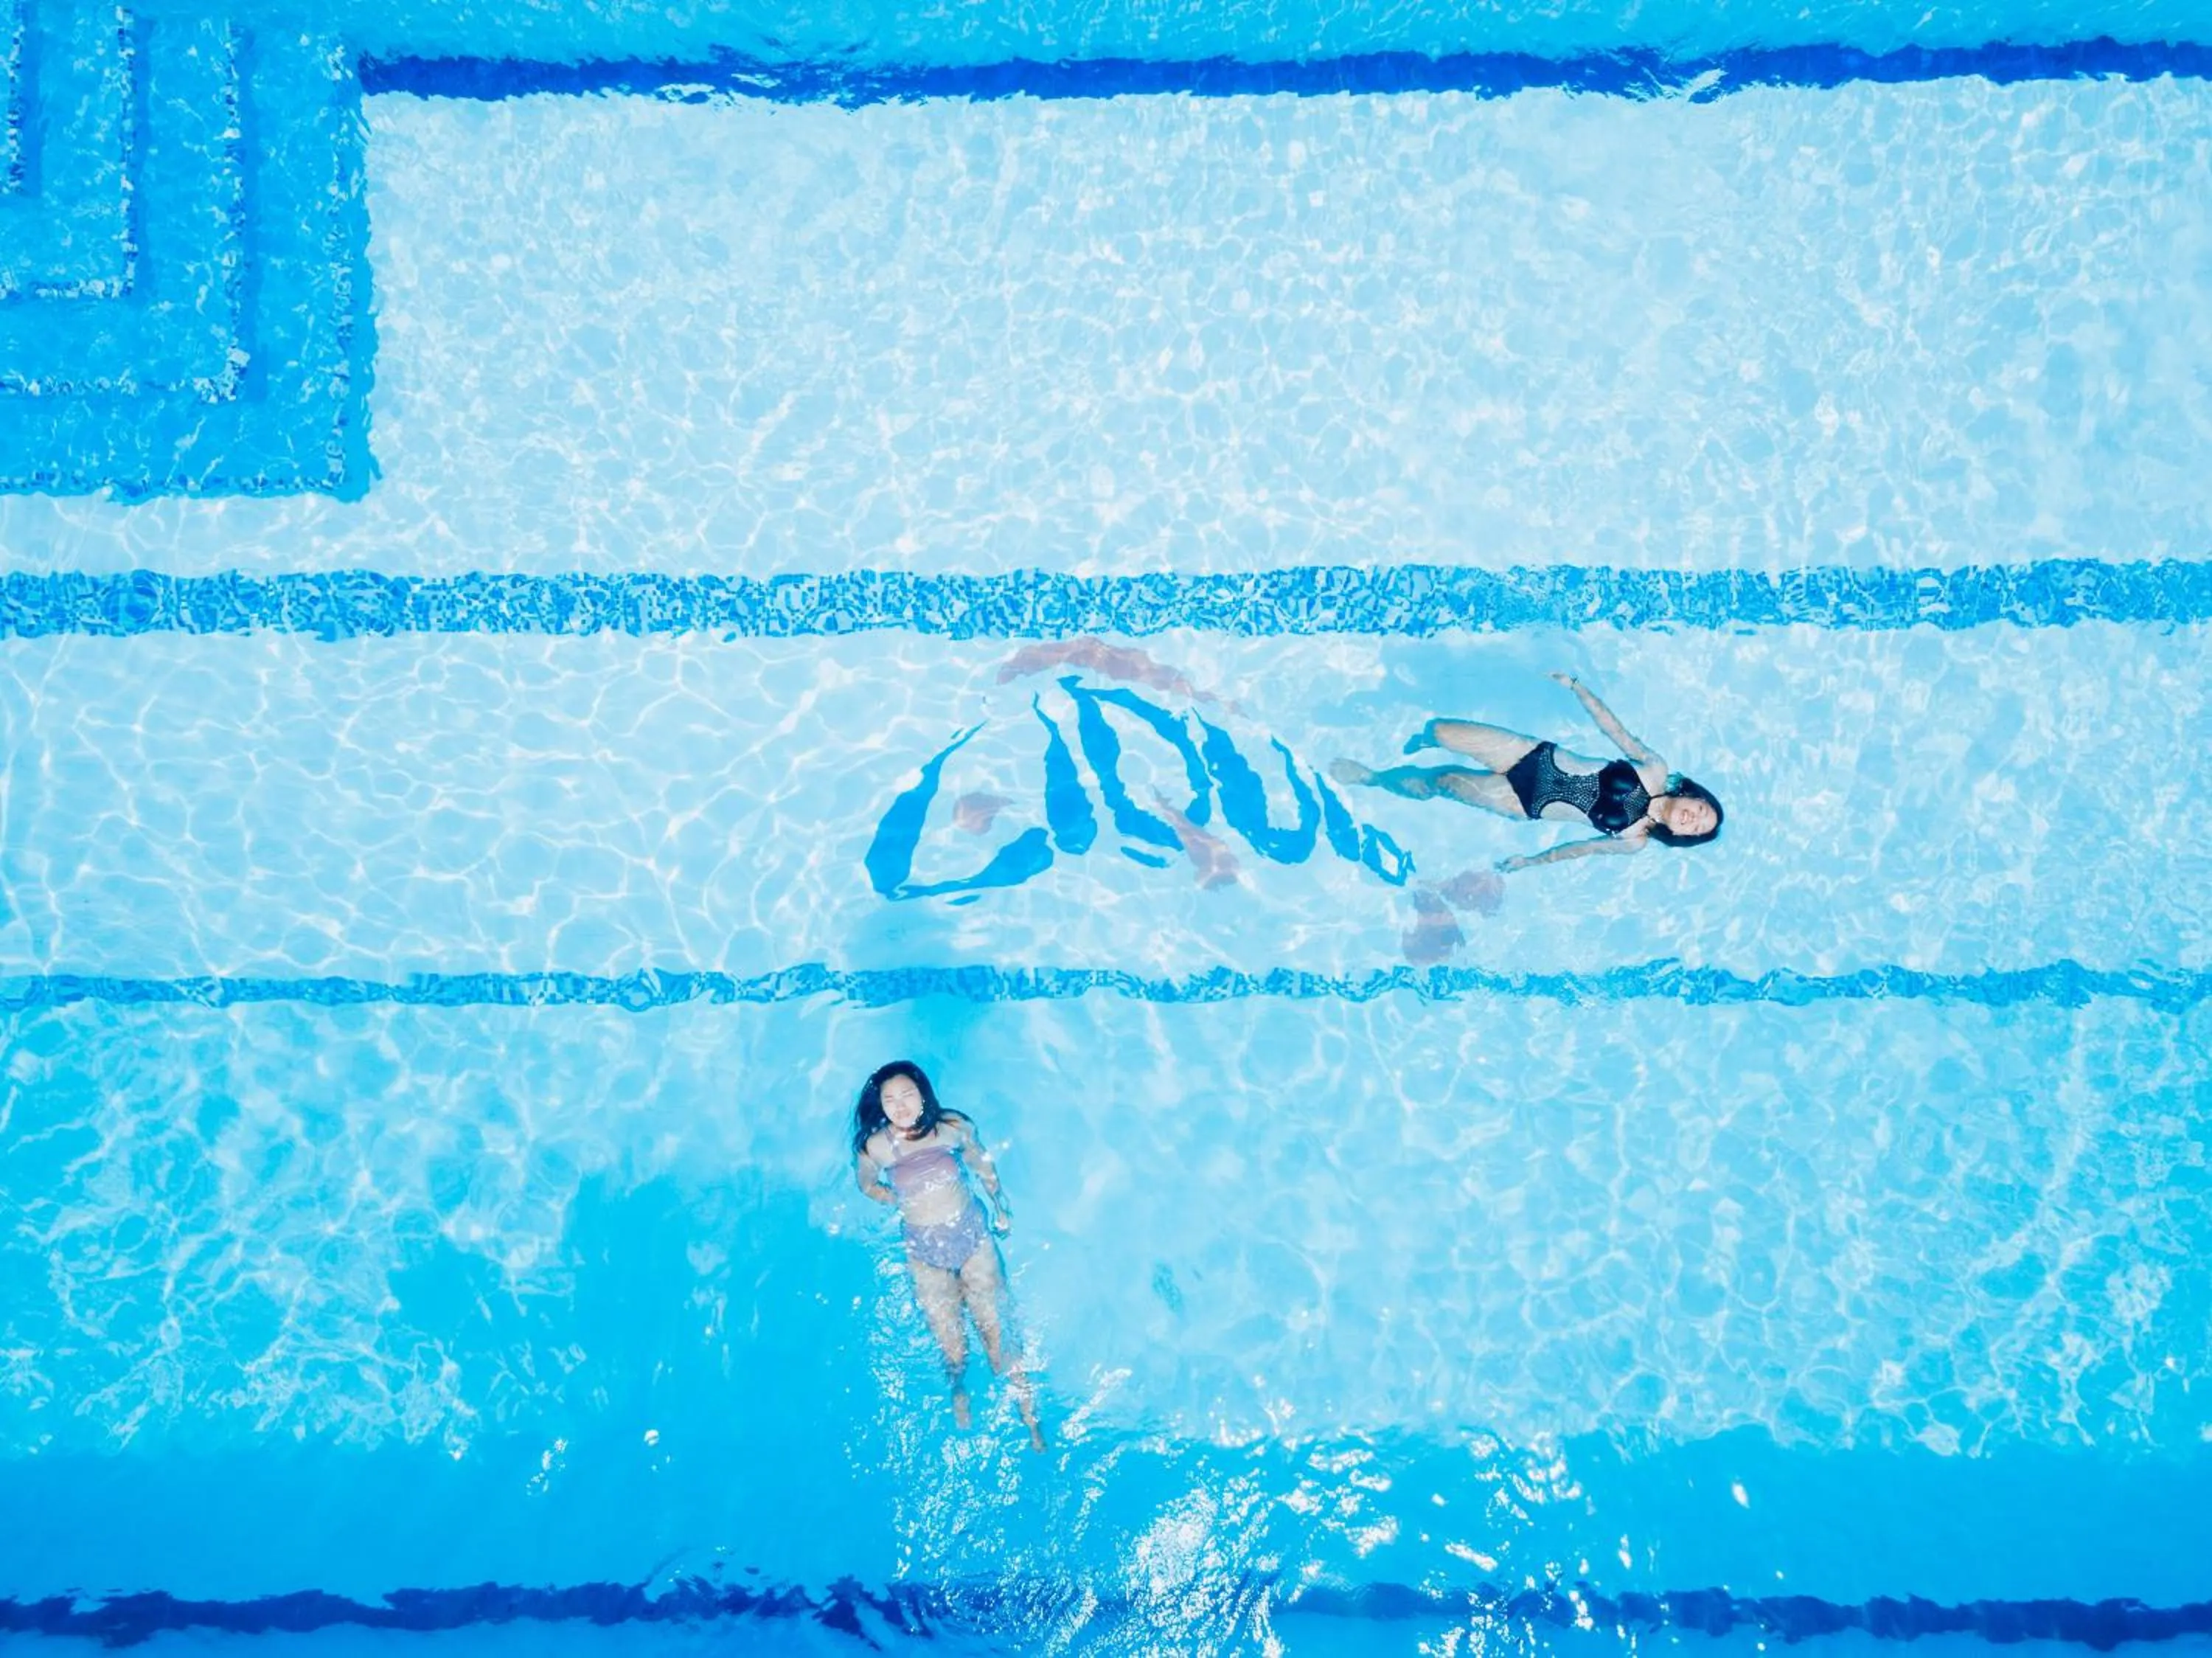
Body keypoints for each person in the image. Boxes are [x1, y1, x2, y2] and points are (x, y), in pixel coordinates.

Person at [1329, 673, 1722, 873]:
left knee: (1442, 782)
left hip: (1522, 802)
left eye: (1697, 830)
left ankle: (1373, 778)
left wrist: (1531, 862)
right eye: (1702, 812)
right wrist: (1577, 687)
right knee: (1442, 731)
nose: (1694, 820)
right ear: (1694, 796)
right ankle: (1424, 739)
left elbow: (1580, 850)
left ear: (1681, 837)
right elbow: (1615, 730)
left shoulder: (1634, 840)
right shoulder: (1655, 769)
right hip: (1531, 755)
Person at [852, 1061, 1045, 1449]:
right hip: (924, 1250)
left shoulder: (952, 1127)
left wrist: (1000, 1205)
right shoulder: (877, 1147)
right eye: (890, 1100)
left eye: (908, 1095)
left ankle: (1030, 1419)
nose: (901, 1106)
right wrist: (891, 1197)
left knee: (998, 1337)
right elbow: (866, 1184)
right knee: (952, 1347)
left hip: (972, 1237)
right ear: (881, 1106)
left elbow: (982, 1164)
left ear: (923, 1094)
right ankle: (958, 1386)